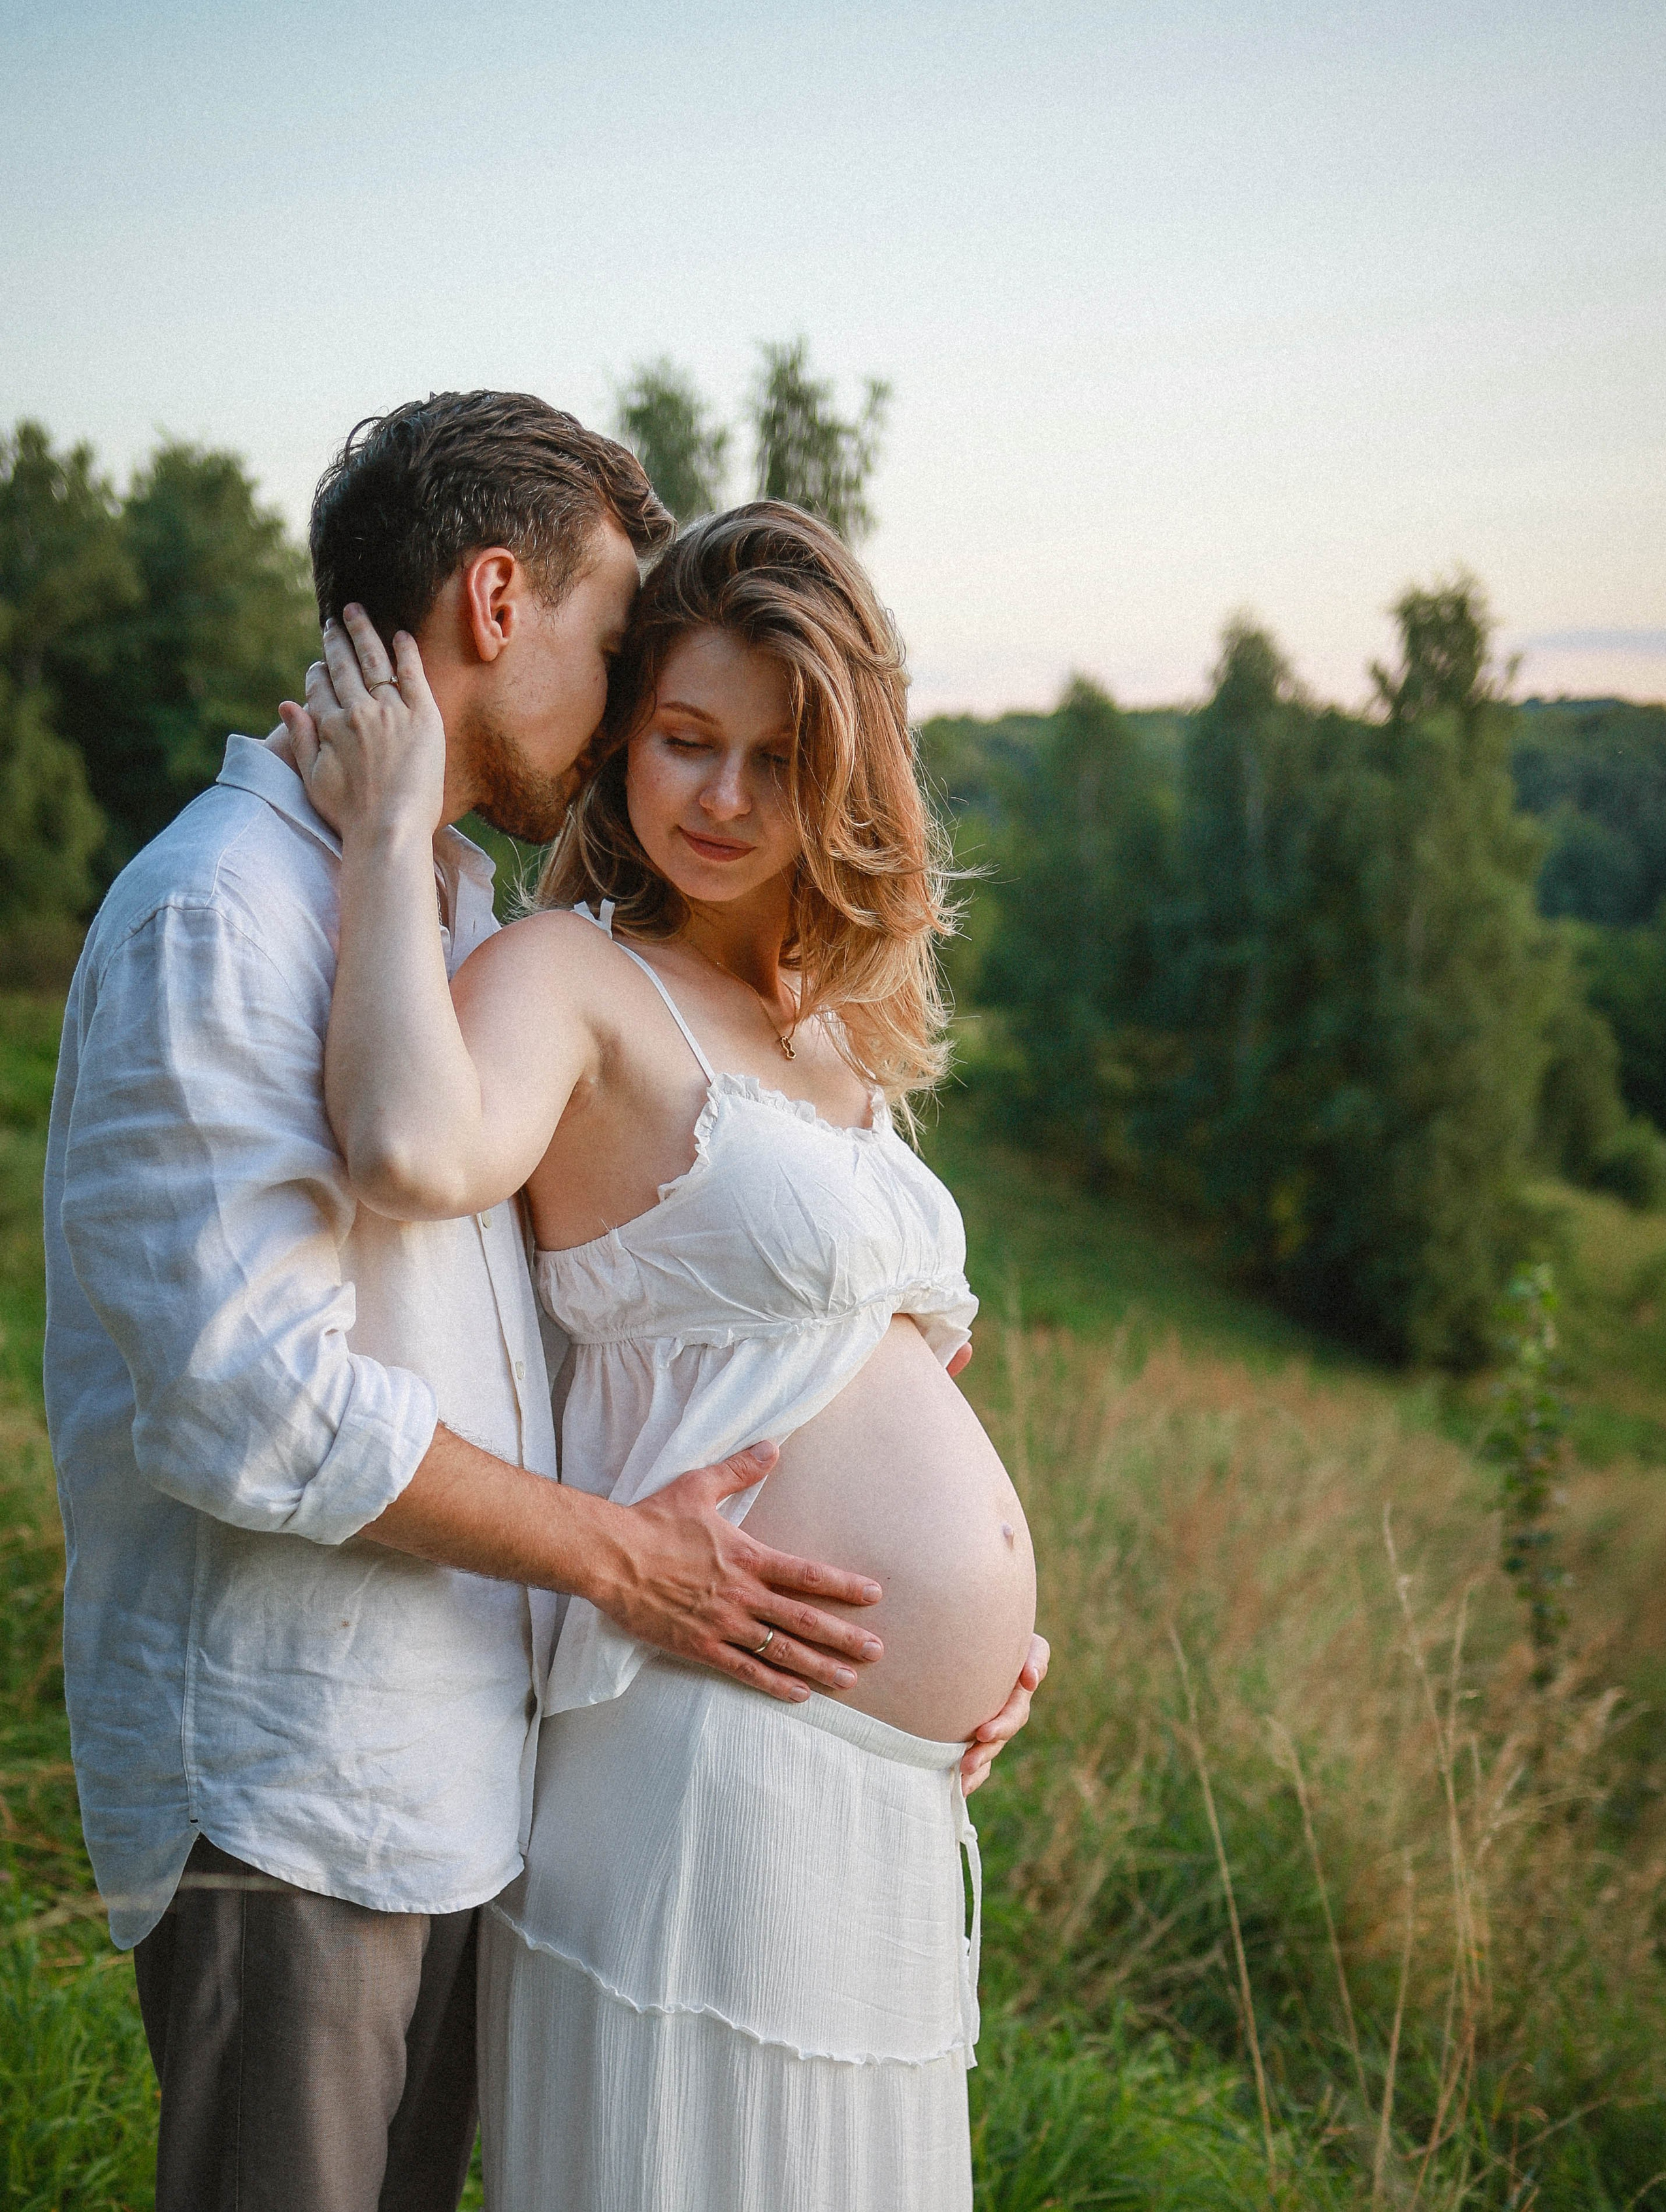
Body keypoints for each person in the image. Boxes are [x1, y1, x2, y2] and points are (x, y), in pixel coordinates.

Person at [43, 394, 1021, 2212]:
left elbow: (622, 1348)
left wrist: (959, 1621)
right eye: (633, 668)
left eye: (773, 752)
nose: (694, 772)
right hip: (294, 1781)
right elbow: (243, 1402)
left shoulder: (445, 918)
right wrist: (616, 1556)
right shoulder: (227, 913)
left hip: (459, 1769)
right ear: (500, 602)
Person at [289, 500, 1043, 2210]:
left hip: (879, 1791)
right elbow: (409, 1143)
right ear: (627, 732)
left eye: (775, 762)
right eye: (686, 740)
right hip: (706, 1750)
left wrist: (989, 1631)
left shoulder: (839, 1025)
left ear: (842, 777)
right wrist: (390, 829)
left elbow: (858, 1380)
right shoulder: (572, 976)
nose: (720, 797)